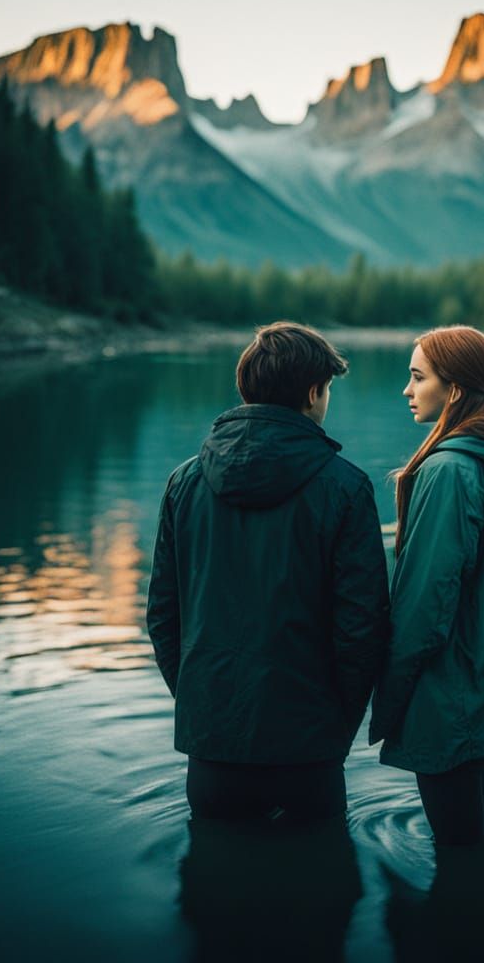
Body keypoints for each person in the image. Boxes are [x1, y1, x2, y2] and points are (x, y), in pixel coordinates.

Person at [146, 321, 390, 822]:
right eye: (327, 390)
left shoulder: (183, 483)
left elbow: (162, 617)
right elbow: (362, 627)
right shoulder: (345, 488)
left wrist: (204, 702)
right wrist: (335, 725)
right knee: (318, 892)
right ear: (312, 391)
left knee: (215, 893)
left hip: (210, 747)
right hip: (307, 750)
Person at [370, 325, 484, 845]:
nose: (407, 389)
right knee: (478, 842)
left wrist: (391, 695)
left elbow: (425, 603)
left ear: (453, 390)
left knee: (458, 852)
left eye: (418, 377)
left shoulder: (448, 470)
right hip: (482, 684)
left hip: (448, 695)